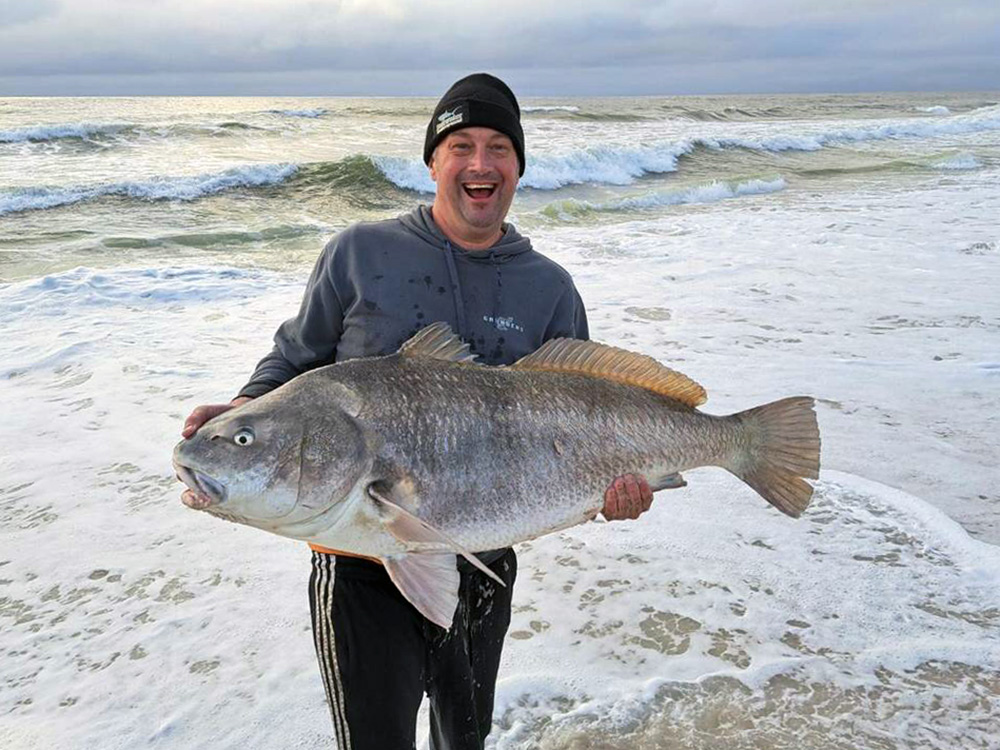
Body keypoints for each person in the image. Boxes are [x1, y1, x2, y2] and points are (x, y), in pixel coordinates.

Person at [180, 73, 655, 750]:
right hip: (358, 565)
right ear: (433, 160)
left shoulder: (549, 288)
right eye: (460, 145)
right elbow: (294, 360)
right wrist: (248, 411)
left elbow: (586, 411)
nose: (480, 164)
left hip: (484, 558)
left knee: (464, 742)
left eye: (499, 147)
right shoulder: (359, 254)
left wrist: (619, 490)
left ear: (519, 166)